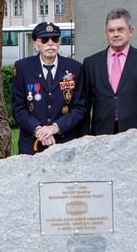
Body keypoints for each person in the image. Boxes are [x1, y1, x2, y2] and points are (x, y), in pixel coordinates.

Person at [11, 21, 87, 154]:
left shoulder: (75, 68)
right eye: (45, 39)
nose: (50, 43)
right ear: (36, 44)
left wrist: (54, 128)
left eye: (55, 39)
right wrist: (38, 130)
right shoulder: (23, 68)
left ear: (59, 43)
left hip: (65, 142)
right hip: (32, 143)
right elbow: (18, 108)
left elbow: (80, 107)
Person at [81, 9, 137, 135]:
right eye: (111, 30)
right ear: (106, 34)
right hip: (101, 132)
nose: (115, 34)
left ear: (131, 31)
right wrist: (83, 137)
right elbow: (85, 105)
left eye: (120, 29)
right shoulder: (91, 63)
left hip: (136, 132)